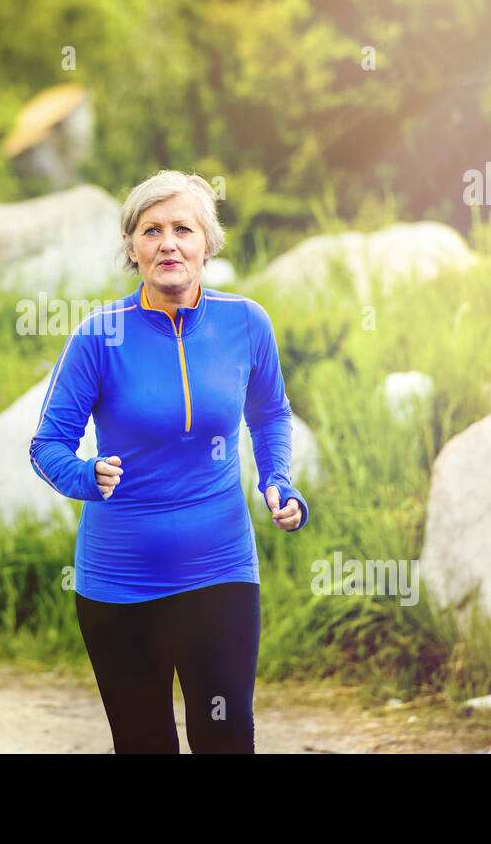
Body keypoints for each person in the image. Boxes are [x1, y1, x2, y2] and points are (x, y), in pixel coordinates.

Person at [28, 169, 310, 754]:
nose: (168, 243)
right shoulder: (98, 336)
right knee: (144, 742)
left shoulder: (246, 324)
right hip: (120, 583)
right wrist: (86, 475)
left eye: (183, 228)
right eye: (151, 230)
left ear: (207, 242)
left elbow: (271, 414)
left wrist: (278, 481)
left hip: (221, 571)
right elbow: (47, 444)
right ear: (132, 247)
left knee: (227, 738)